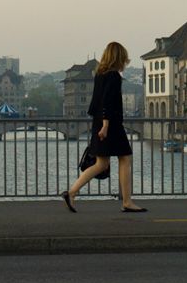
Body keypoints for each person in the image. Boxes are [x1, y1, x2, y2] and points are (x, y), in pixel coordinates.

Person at [62, 42, 145, 213]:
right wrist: (106, 125)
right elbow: (108, 100)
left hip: (99, 122)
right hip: (111, 124)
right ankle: (127, 202)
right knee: (125, 158)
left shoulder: (100, 74)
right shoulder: (113, 76)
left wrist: (99, 123)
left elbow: (95, 103)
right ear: (119, 58)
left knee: (101, 163)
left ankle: (71, 192)